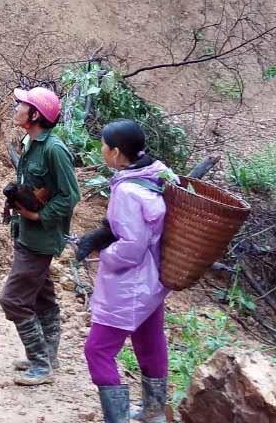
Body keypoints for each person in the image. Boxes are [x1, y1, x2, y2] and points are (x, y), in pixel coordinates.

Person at [81, 120, 176, 423]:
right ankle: (153, 411)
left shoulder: (127, 192)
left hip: (129, 286)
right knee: (149, 341)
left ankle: (118, 418)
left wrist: (105, 254)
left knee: (97, 350)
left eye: (104, 146)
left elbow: (132, 246)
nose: (102, 150)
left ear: (117, 152)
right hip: (153, 280)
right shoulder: (157, 174)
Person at [0, 87, 80, 386]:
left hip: (40, 239)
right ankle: (48, 354)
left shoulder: (53, 149)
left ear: (35, 115)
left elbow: (70, 195)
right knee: (43, 297)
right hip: (29, 234)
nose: (17, 106)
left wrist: (39, 216)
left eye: (22, 104)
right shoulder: (32, 143)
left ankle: (40, 363)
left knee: (13, 300)